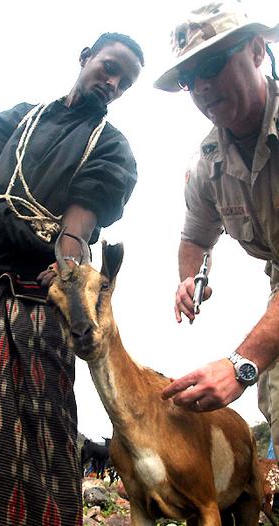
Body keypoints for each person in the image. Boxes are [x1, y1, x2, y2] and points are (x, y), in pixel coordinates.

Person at [0, 33, 144, 525]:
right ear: (85, 57)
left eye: (125, 82)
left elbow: (77, 227)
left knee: (24, 435)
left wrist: (67, 275)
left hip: (30, 297)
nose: (113, 83)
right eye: (109, 68)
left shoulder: (110, 148)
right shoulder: (18, 119)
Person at [153, 2, 279, 457]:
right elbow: (195, 236)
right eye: (190, 79)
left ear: (257, 51)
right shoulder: (207, 166)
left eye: (211, 64)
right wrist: (190, 278)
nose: (203, 87)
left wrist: (241, 365)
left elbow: (247, 363)